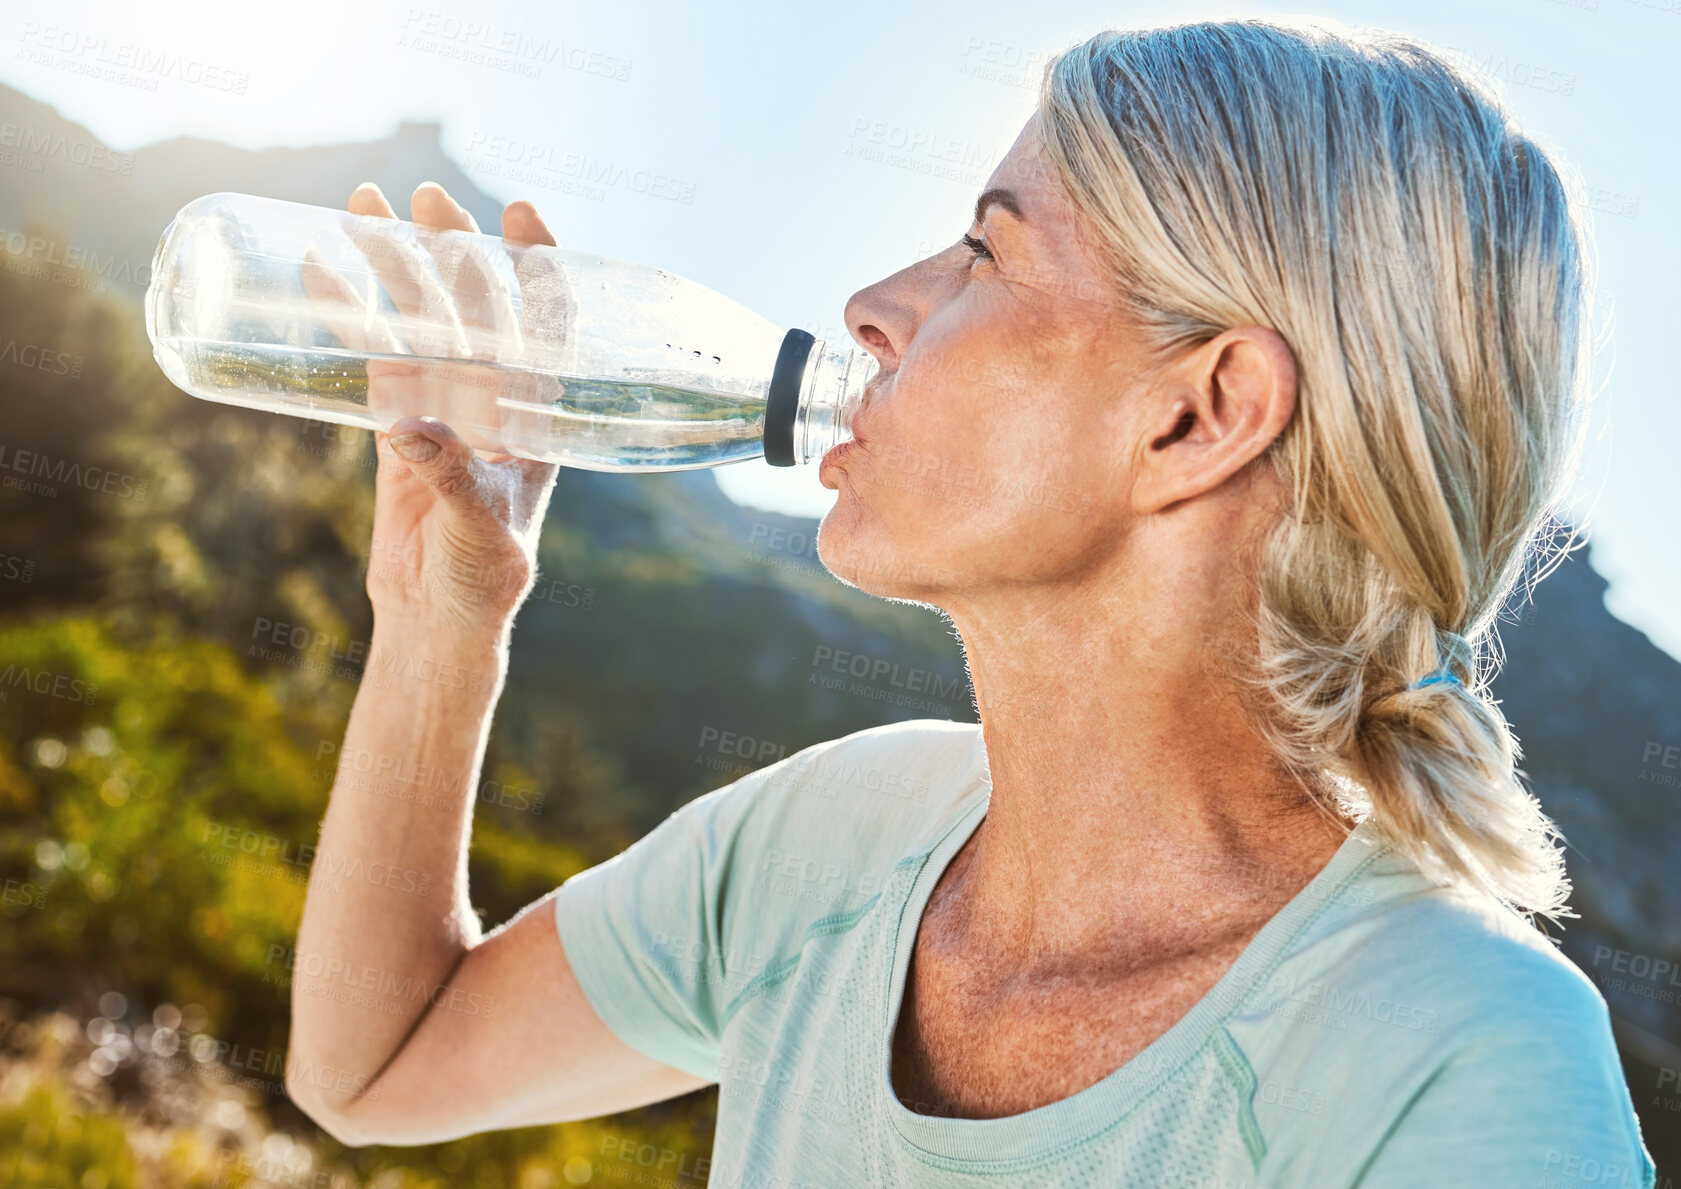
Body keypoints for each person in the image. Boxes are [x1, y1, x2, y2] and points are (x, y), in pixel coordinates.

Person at [285, 18, 1658, 1186]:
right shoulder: (828, 843)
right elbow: (379, 1063)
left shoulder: (1463, 1065)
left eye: (985, 254)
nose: (874, 306)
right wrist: (439, 608)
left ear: (1200, 415)